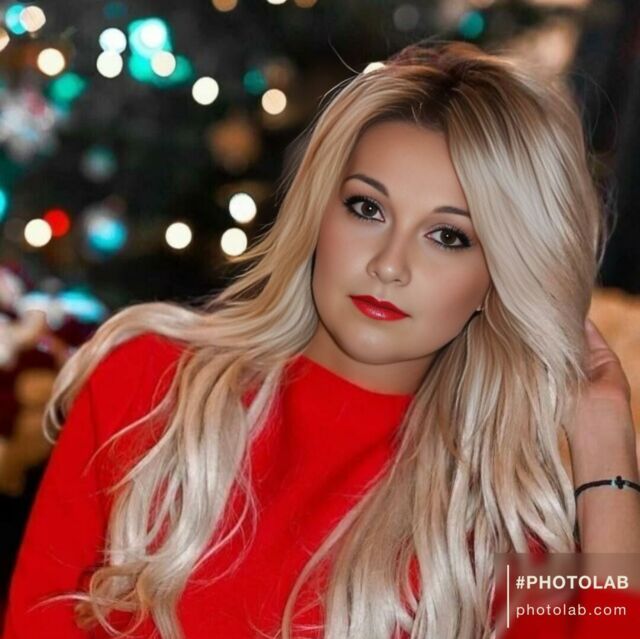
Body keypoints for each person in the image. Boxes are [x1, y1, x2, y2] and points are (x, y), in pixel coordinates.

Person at [3, 40, 640, 639]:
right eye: (368, 208)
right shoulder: (147, 385)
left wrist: (608, 451)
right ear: (318, 211)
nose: (389, 265)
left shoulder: (500, 521)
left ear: (500, 275)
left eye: (449, 236)